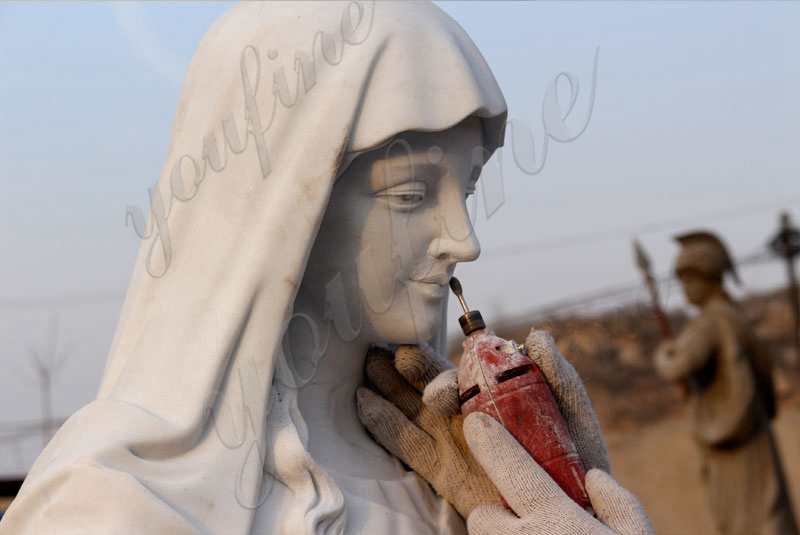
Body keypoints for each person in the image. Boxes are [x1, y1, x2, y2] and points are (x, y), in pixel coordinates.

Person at [0, 2, 651, 534]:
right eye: (412, 194)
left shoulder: (464, 494)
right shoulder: (117, 504)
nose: (465, 239)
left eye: (470, 188)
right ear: (283, 212)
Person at [655, 230, 798, 535]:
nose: (685, 289)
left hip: (732, 443)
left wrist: (664, 354)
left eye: (687, 281)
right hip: (754, 434)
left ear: (706, 277)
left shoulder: (710, 322)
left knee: (746, 519)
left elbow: (678, 366)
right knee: (768, 510)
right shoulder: (734, 317)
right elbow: (763, 372)